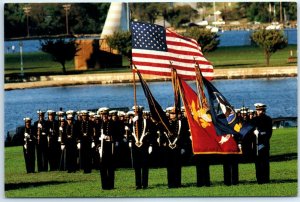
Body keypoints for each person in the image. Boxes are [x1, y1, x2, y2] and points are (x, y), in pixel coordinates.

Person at [160, 107, 189, 188]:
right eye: (171, 114)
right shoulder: (166, 123)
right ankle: (170, 184)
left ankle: (178, 183)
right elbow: (162, 134)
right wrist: (163, 143)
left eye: (174, 114)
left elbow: (184, 135)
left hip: (177, 147)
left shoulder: (181, 123)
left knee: (177, 166)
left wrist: (183, 146)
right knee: (169, 167)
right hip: (168, 148)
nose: (172, 115)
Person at [128, 105, 154, 189]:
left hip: (144, 145)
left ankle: (144, 184)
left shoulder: (147, 121)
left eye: (138, 112)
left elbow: (152, 133)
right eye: (135, 112)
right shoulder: (132, 122)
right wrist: (130, 141)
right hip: (135, 146)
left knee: (145, 165)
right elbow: (129, 133)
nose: (137, 114)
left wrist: (150, 144)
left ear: (141, 112)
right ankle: (138, 184)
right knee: (137, 166)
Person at [252, 103, 272, 184]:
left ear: (263, 110)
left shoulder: (268, 119)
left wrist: (260, 133)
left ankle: (266, 179)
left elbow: (269, 132)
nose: (258, 111)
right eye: (257, 110)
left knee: (265, 162)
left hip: (264, 143)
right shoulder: (254, 119)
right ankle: (259, 179)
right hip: (256, 144)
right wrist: (253, 132)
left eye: (260, 110)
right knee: (258, 163)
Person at [99, 108, 116, 190]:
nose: (104, 116)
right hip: (102, 148)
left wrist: (107, 137)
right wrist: (98, 146)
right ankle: (104, 185)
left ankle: (111, 185)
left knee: (110, 167)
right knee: (102, 167)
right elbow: (96, 136)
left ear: (107, 115)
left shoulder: (112, 123)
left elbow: (116, 135)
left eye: (105, 115)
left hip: (110, 147)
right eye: (102, 115)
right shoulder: (100, 123)